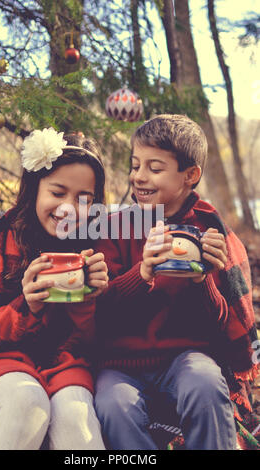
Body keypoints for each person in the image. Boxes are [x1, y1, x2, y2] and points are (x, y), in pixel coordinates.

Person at [93, 114, 259, 450]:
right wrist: (141, 274)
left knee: (205, 383)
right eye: (135, 165)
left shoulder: (210, 231)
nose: (138, 177)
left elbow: (224, 326)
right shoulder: (116, 228)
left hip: (187, 357)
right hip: (120, 365)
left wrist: (203, 282)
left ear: (190, 175)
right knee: (114, 405)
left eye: (154, 168)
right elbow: (98, 313)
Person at [0, 128, 108, 450]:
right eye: (58, 193)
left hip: (66, 364)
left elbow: (101, 344)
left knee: (76, 417)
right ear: (34, 190)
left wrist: (89, 301)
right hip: (3, 360)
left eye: (84, 199)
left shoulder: (99, 251)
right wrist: (26, 305)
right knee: (28, 402)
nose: (69, 208)